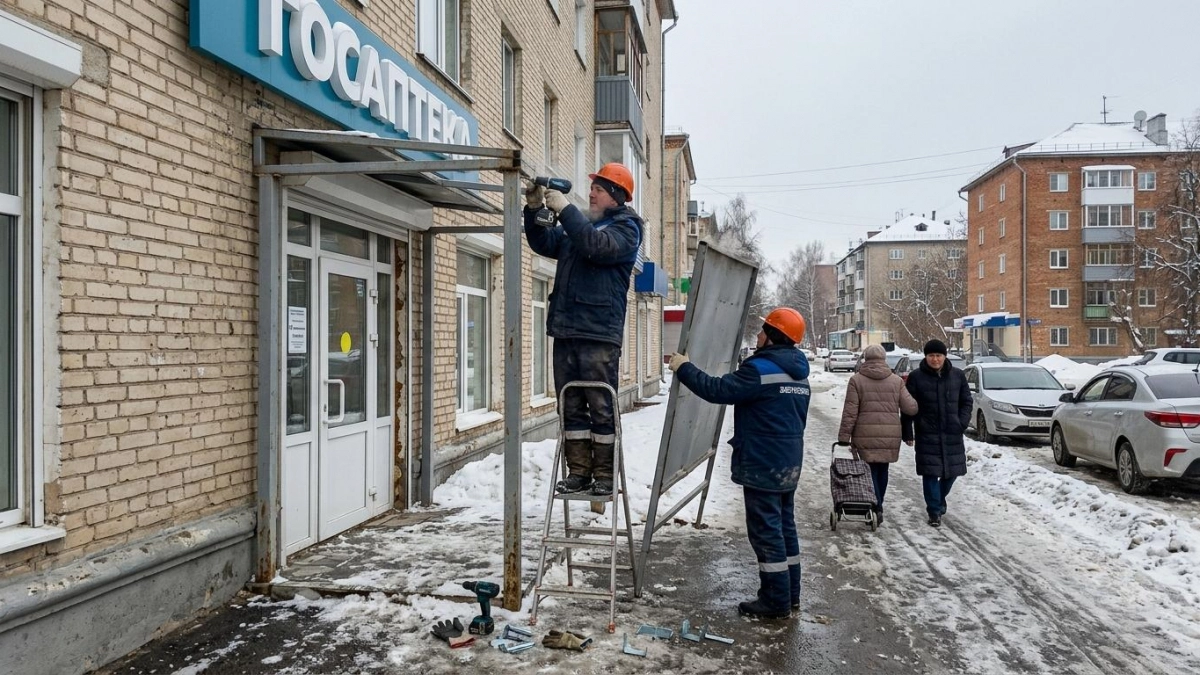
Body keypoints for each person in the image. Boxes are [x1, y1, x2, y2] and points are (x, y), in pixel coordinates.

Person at [667, 308, 810, 619]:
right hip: (788, 462)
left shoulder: (760, 370)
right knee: (785, 528)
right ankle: (790, 594)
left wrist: (684, 367)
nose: (757, 335)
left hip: (763, 462)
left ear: (773, 336)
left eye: (763, 330)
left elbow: (717, 390)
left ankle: (775, 601)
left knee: (766, 532)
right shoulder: (799, 372)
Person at [524, 163, 643, 497]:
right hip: (566, 331)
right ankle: (578, 472)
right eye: (591, 188)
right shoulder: (583, 226)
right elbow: (544, 243)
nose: (591, 193)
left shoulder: (627, 228)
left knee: (601, 406)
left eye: (599, 189)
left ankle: (604, 475)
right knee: (570, 405)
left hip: (598, 334)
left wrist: (565, 209)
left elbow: (597, 246)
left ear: (616, 196)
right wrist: (533, 209)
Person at [836, 344, 918, 525]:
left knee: (868, 470)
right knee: (882, 469)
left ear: (865, 359)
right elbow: (910, 408)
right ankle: (878, 505)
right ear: (884, 359)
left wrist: (844, 437)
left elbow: (850, 412)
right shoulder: (896, 381)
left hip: (864, 433)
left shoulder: (856, 380)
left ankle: (875, 506)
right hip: (890, 434)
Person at [901, 339, 972, 527]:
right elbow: (908, 406)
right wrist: (907, 431)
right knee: (930, 473)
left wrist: (962, 422)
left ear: (945, 356)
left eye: (938, 355)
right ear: (926, 357)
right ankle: (934, 511)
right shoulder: (916, 377)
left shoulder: (957, 376)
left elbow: (966, 401)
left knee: (952, 472)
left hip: (952, 432)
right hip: (927, 433)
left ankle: (938, 499)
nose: (935, 359)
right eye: (931, 355)